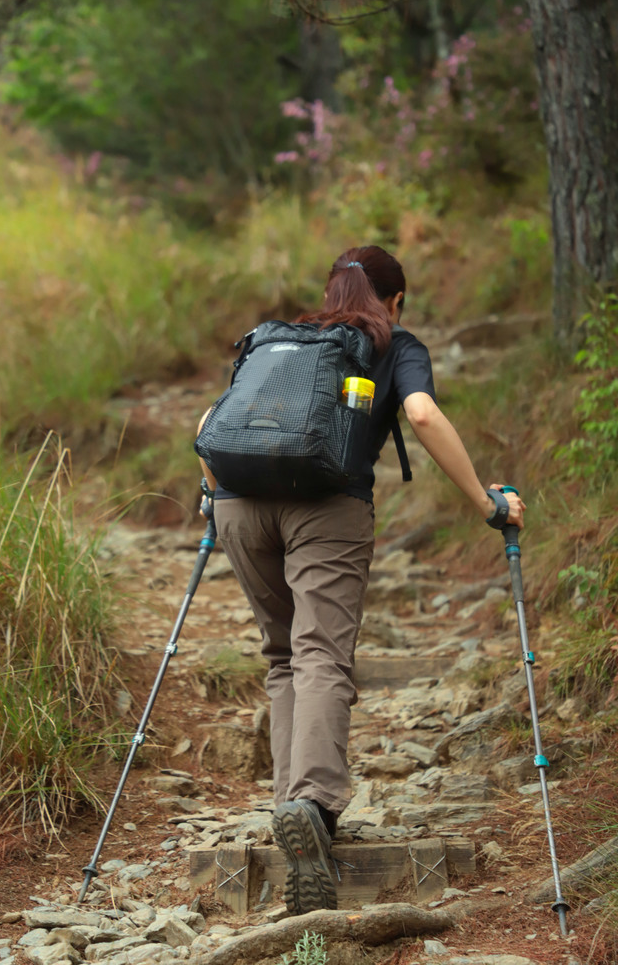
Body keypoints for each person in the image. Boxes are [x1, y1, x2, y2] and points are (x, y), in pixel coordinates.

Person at [196, 244, 525, 916]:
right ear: (394, 299)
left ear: (331, 290)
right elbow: (425, 416)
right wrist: (486, 504)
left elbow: (207, 424)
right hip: (328, 505)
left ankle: (297, 809)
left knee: (284, 653)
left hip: (235, 504)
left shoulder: (279, 337)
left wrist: (211, 496)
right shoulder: (393, 342)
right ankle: (310, 803)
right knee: (321, 653)